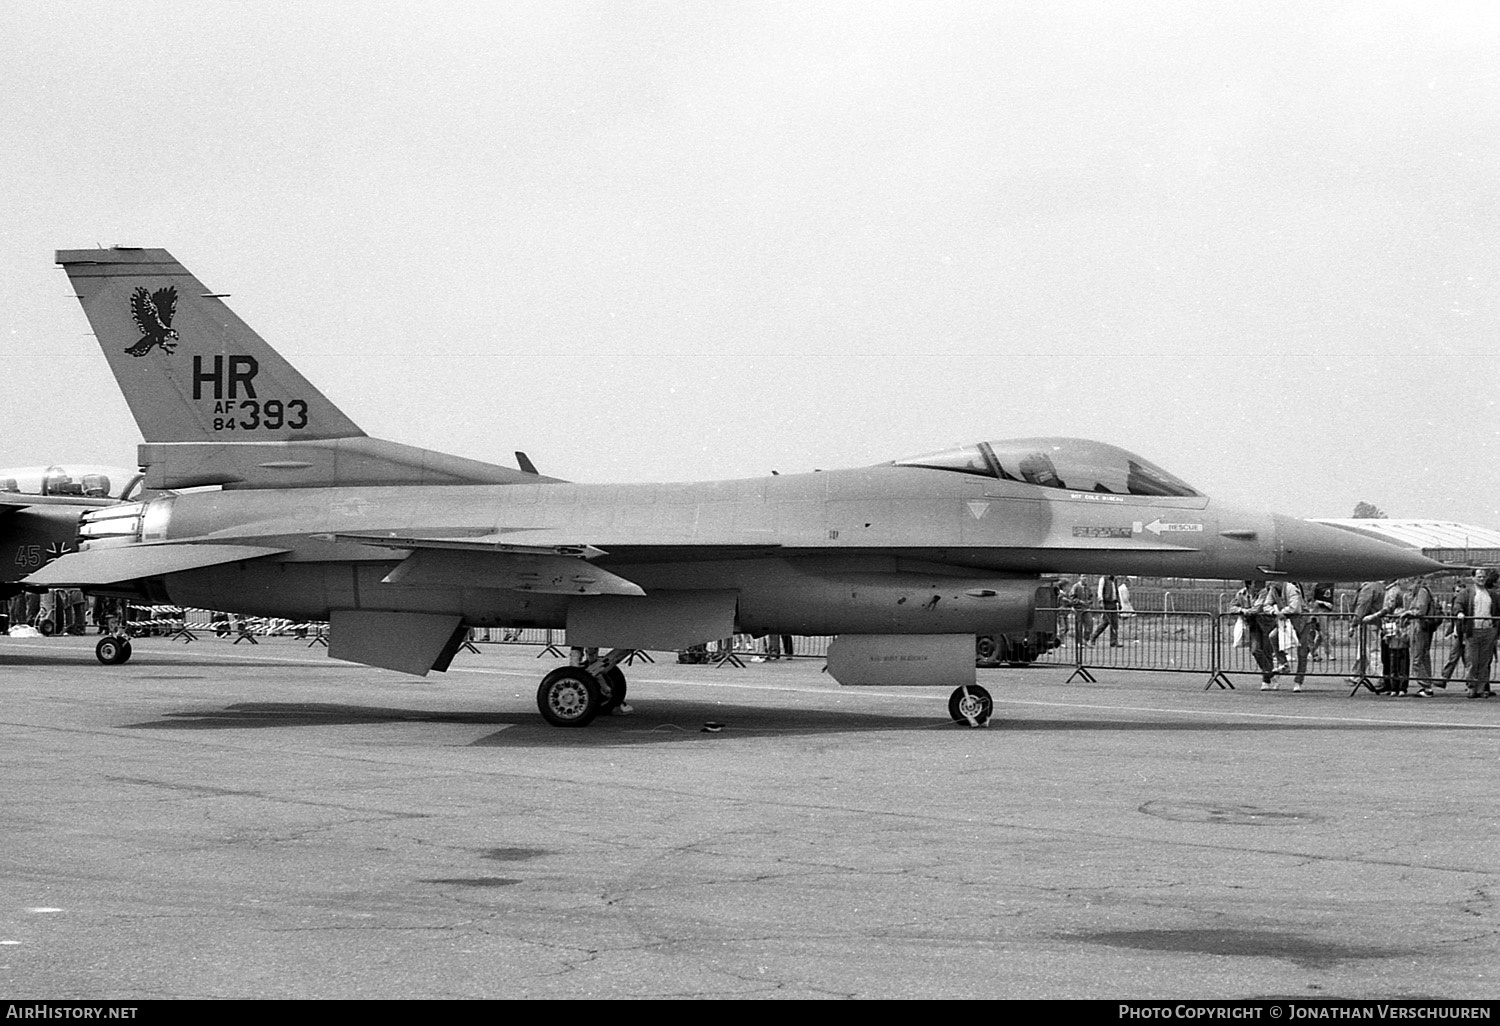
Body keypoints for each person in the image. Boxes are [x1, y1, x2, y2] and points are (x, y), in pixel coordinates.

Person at [1453, 568, 1500, 700]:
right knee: (1472, 661)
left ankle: (1481, 688)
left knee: (1484, 662)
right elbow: (1457, 605)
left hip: (1489, 630)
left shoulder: (1492, 594)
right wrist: (1459, 613)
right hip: (1472, 630)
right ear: (1473, 578)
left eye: (1483, 576)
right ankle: (1472, 687)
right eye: (1479, 576)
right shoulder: (1466, 593)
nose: (1481, 579)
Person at [1363, 578, 1408, 695]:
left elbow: (1389, 608)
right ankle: (1390, 684)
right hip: (1388, 625)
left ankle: (1396, 686)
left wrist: (1373, 616)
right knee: (1387, 656)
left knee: (1393, 656)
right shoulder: (1389, 590)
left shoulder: (1393, 591)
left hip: (1394, 626)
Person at [1399, 576, 1440, 696]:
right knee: (1422, 656)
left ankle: (1426, 685)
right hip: (1420, 627)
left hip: (1419, 627)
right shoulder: (1421, 591)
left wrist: (1408, 613)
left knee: (1418, 657)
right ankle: (1426, 685)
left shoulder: (1421, 592)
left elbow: (1420, 610)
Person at [1347, 579, 1384, 686]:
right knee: (1363, 650)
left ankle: (1380, 675)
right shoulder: (1379, 586)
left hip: (1368, 622)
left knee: (1372, 650)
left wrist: (1354, 623)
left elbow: (1362, 606)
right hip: (1376, 622)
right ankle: (1356, 674)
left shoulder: (1369, 588)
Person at [1278, 580, 1312, 692]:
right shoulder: (1273, 589)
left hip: (1303, 621)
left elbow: (1295, 607)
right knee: (1272, 636)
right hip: (1288, 621)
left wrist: (1281, 611)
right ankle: (1284, 664)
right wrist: (1274, 612)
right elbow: (1266, 605)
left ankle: (1298, 681)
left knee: (1302, 652)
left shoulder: (1292, 588)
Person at [1440, 577, 1470, 686]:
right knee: (1454, 657)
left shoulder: (1466, 601)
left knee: (1466, 659)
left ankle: (1470, 683)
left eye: (1460, 591)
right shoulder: (1454, 601)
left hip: (1465, 633)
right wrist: (1450, 631)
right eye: (1456, 591)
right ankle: (1444, 678)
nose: (1458, 593)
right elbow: (1453, 620)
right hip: (1458, 634)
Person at [1089, 574, 1123, 647]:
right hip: (1106, 603)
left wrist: (1119, 602)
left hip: (1113, 603)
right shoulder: (1103, 579)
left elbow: (1116, 591)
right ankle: (1093, 638)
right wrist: (1101, 601)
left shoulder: (1115, 579)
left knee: (1115, 623)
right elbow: (1100, 590)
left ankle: (1114, 641)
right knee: (1105, 622)